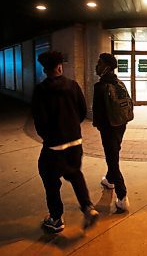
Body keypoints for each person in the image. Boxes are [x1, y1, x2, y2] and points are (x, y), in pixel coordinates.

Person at [32, 50, 99, 233]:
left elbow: (39, 119)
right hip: (75, 142)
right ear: (60, 66)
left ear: (45, 69)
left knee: (50, 179)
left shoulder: (41, 90)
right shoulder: (73, 86)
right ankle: (87, 208)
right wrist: (70, 127)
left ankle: (55, 218)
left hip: (54, 146)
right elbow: (82, 111)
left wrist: (49, 136)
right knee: (75, 173)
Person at [93, 53, 130, 212]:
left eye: (99, 63)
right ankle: (109, 179)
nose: (97, 66)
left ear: (107, 67)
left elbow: (98, 112)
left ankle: (122, 197)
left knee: (112, 159)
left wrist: (99, 126)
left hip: (108, 127)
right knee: (114, 152)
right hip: (121, 124)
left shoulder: (100, 87)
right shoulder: (119, 83)